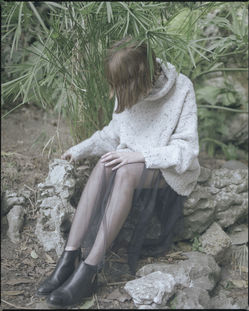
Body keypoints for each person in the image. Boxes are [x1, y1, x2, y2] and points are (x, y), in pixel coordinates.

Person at [37, 36, 200, 307]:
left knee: (123, 170)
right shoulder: (128, 88)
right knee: (105, 162)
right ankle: (69, 257)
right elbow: (114, 134)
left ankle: (89, 269)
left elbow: (186, 151)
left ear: (137, 80)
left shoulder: (182, 88)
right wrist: (79, 150)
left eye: (120, 87)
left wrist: (140, 156)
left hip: (168, 170)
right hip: (131, 162)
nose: (115, 94)